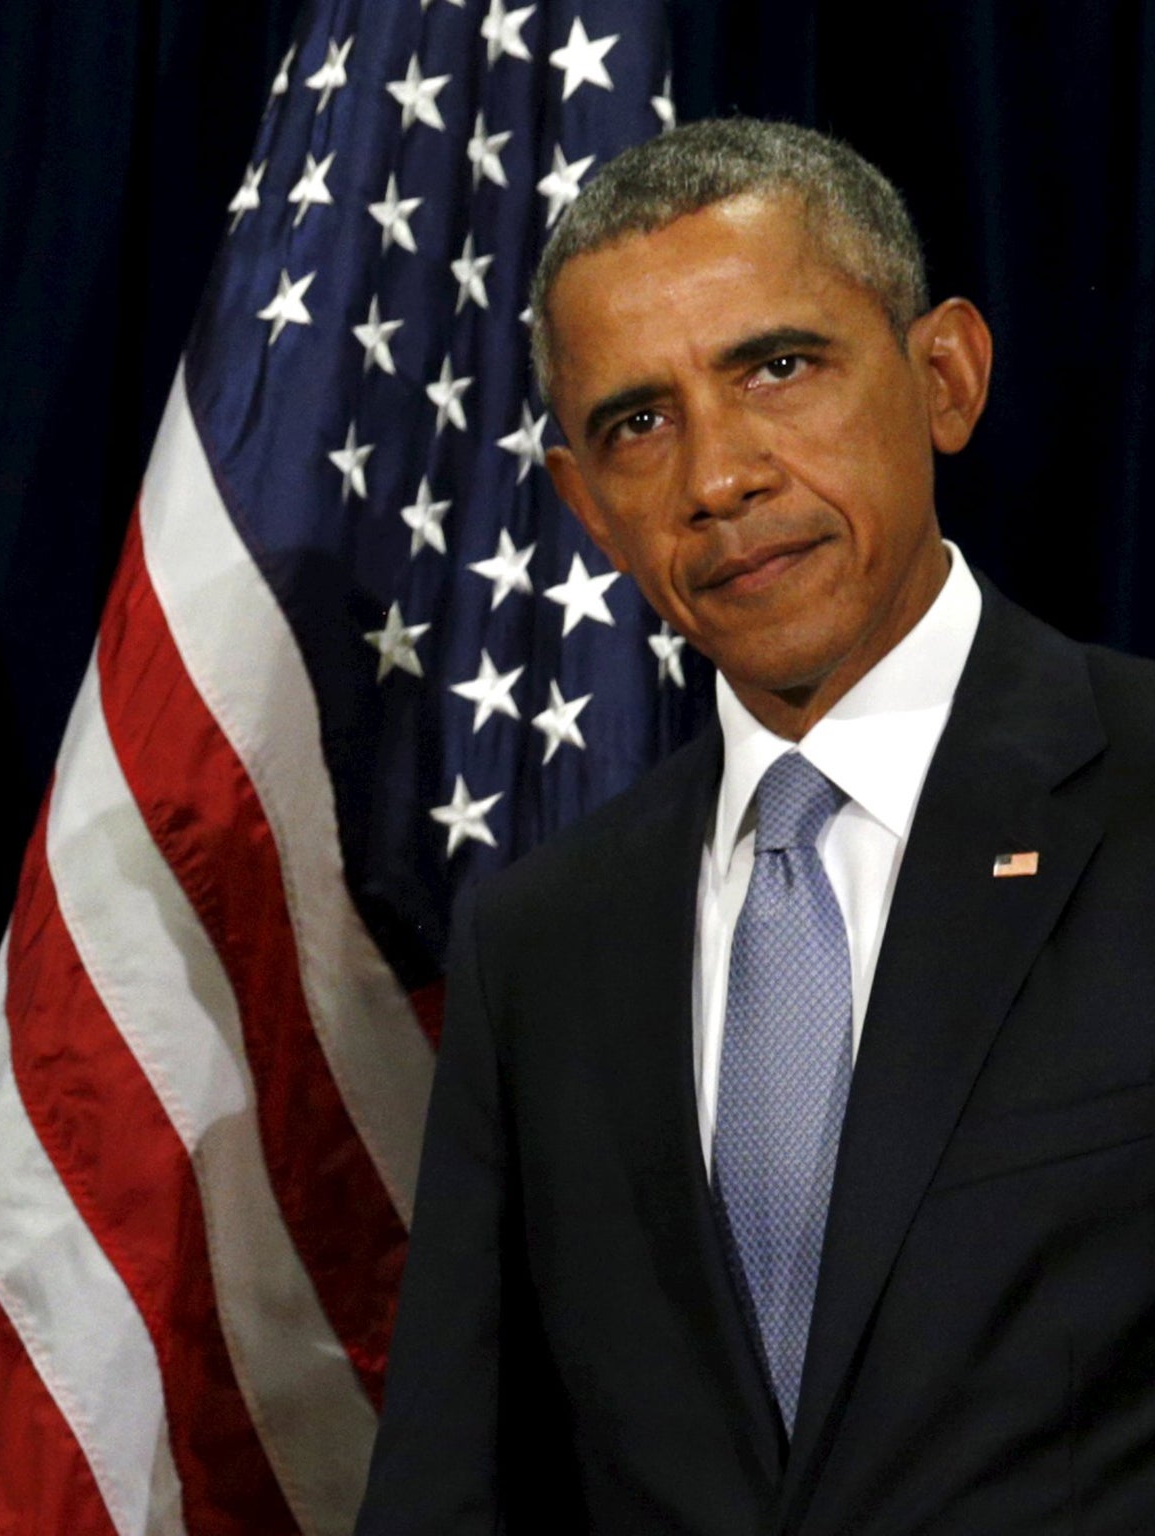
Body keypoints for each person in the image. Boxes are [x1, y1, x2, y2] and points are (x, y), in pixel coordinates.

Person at [357, 118, 1155, 1533]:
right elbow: (457, 1483)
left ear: (945, 377)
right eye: (638, 424)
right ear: (587, 505)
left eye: (777, 368)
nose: (718, 476)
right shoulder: (542, 942)